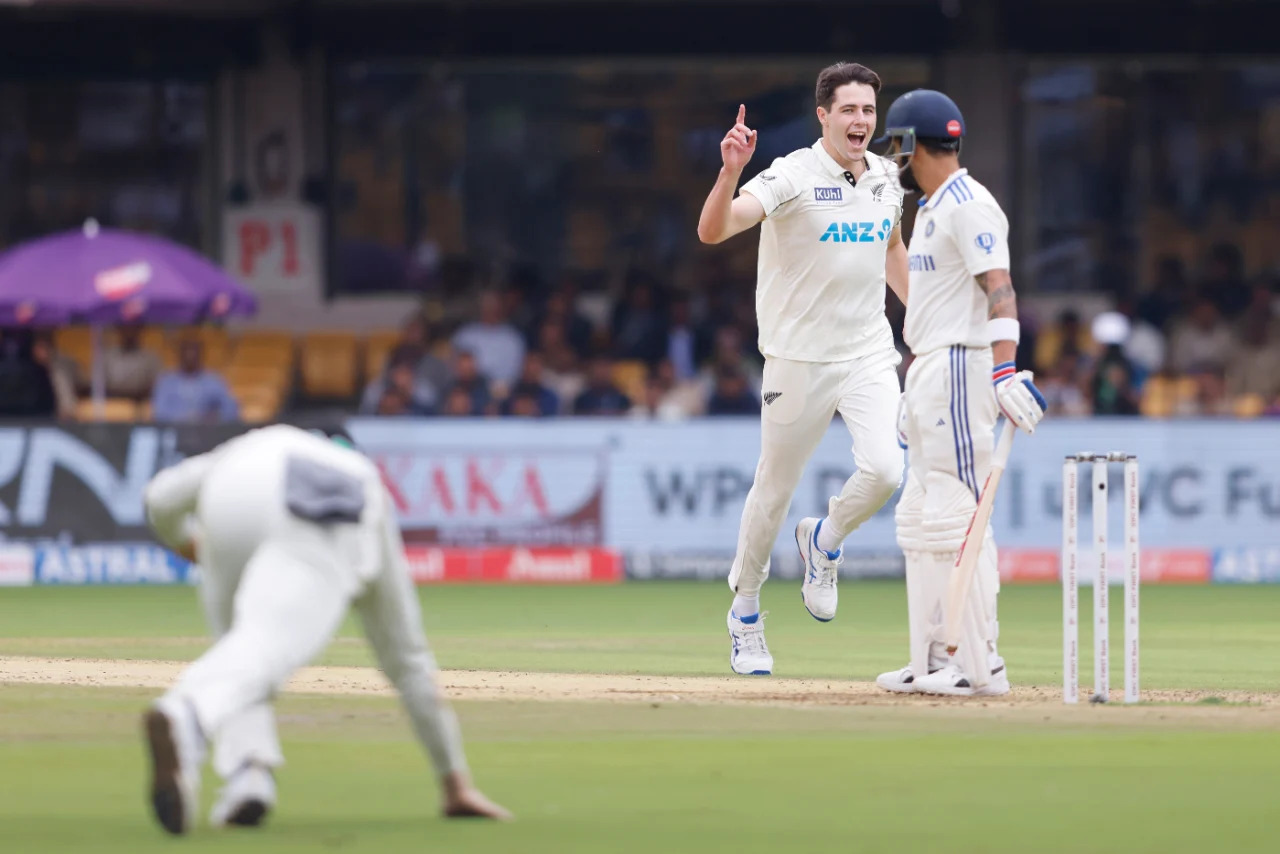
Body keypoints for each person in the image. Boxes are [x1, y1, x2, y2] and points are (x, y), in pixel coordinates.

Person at [139, 424, 510, 835]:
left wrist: (188, 544)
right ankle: (188, 716)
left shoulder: (255, 442)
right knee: (264, 649)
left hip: (230, 492)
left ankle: (250, 777)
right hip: (319, 510)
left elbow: (158, 497)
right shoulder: (362, 478)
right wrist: (454, 780)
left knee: (239, 646)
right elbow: (407, 659)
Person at [696, 61, 910, 675]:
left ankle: (824, 540)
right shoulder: (790, 174)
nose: (861, 121)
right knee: (775, 489)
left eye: (869, 111)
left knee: (887, 471)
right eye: (848, 110)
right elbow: (714, 231)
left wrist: (924, 324)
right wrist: (730, 172)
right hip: (797, 358)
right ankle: (745, 610)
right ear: (823, 115)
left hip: (868, 351)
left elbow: (891, 249)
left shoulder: (888, 178)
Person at [875, 89, 1046, 696]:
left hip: (960, 368)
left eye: (896, 144)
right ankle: (930, 659)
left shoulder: (971, 205)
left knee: (958, 515)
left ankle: (980, 664)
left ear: (912, 144)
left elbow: (1000, 289)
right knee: (919, 517)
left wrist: (1005, 371)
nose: (892, 157)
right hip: (928, 370)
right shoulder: (930, 209)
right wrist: (912, 386)